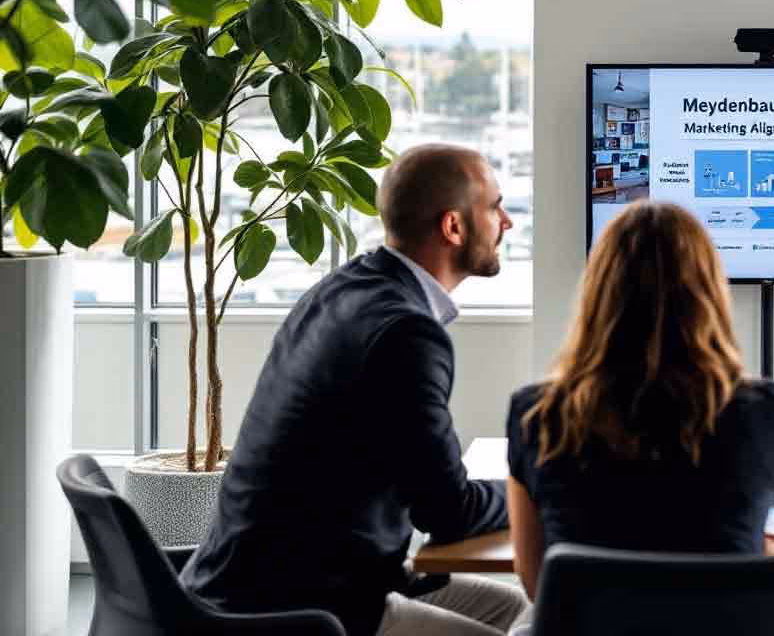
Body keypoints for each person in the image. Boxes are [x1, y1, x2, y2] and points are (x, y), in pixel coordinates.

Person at [182, 144, 530, 636]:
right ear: (452, 227)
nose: (507, 222)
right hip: (302, 610)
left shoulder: (344, 289)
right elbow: (448, 513)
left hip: (259, 582)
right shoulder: (406, 334)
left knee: (533, 612)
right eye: (495, 207)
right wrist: (531, 485)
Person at [505, 200, 774, 619]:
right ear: (710, 291)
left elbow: (539, 584)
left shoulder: (535, 413)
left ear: (597, 291)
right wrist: (755, 552)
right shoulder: (769, 413)